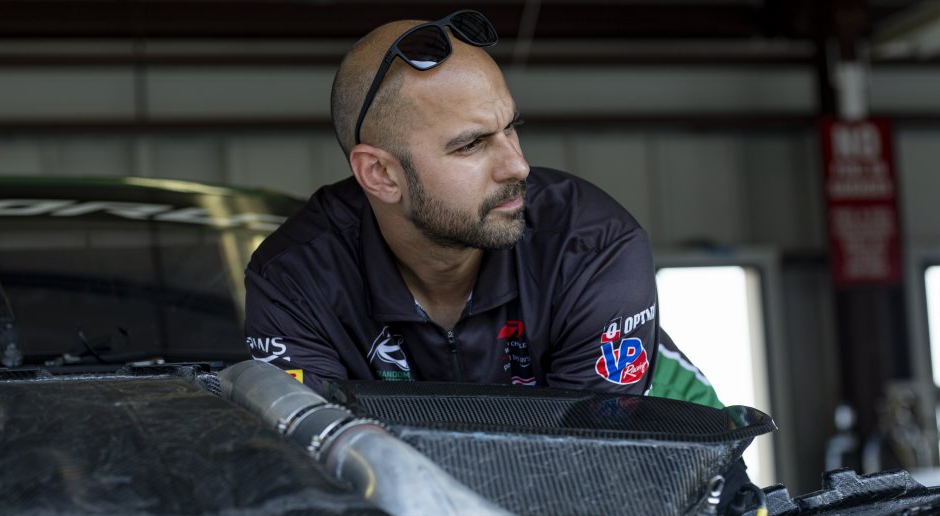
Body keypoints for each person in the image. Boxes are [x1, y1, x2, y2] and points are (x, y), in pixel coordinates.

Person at [244, 9, 722, 415]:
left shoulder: (591, 245)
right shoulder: (294, 278)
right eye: (471, 145)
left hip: (677, 462)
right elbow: (306, 459)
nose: (517, 166)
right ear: (381, 174)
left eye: (510, 128)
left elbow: (592, 464)